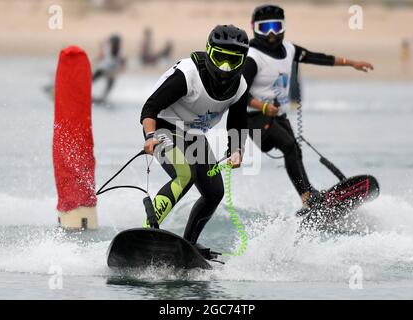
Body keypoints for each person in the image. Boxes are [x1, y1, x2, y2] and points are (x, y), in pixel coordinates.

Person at [242, 5, 374, 208]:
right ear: (254, 27)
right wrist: (263, 106)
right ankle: (307, 195)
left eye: (276, 27)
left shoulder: (290, 50)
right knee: (289, 146)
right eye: (265, 27)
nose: (271, 33)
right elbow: (239, 93)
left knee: (295, 150)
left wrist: (351, 63)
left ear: (283, 27)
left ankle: (308, 198)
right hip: (255, 120)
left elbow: (318, 58)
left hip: (279, 118)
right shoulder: (252, 57)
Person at [140, 25, 249, 259]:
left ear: (243, 61)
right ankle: (148, 231)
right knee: (184, 174)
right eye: (220, 59)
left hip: (193, 136)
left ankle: (188, 245)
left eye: (233, 61)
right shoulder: (188, 75)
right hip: (162, 127)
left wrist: (237, 150)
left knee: (214, 192)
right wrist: (150, 137)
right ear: (209, 52)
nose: (225, 67)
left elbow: (238, 123)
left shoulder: (240, 86)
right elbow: (150, 107)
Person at [92, 34, 126, 102]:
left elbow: (123, 62)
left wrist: (120, 71)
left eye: (117, 44)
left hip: (111, 72)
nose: (115, 45)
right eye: (114, 43)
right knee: (92, 79)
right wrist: (94, 62)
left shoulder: (120, 52)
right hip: (103, 69)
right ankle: (85, 91)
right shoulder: (107, 48)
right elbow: (100, 55)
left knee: (110, 84)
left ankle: (103, 97)